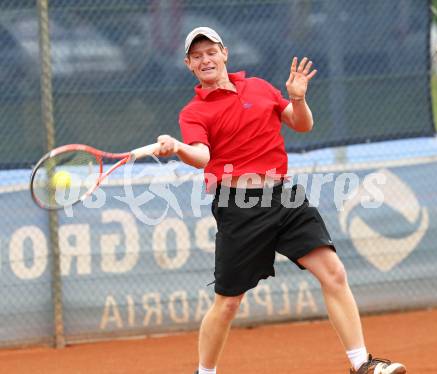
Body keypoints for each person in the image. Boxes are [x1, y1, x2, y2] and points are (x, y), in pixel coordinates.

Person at [154, 27, 406, 374]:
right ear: (188, 64)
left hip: (285, 196)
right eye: (196, 56)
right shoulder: (194, 112)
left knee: (333, 273)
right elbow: (200, 155)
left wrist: (298, 99)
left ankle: (361, 364)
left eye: (210, 51)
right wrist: (178, 147)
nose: (205, 59)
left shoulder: (259, 87)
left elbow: (301, 125)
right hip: (239, 206)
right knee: (228, 303)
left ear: (225, 53)